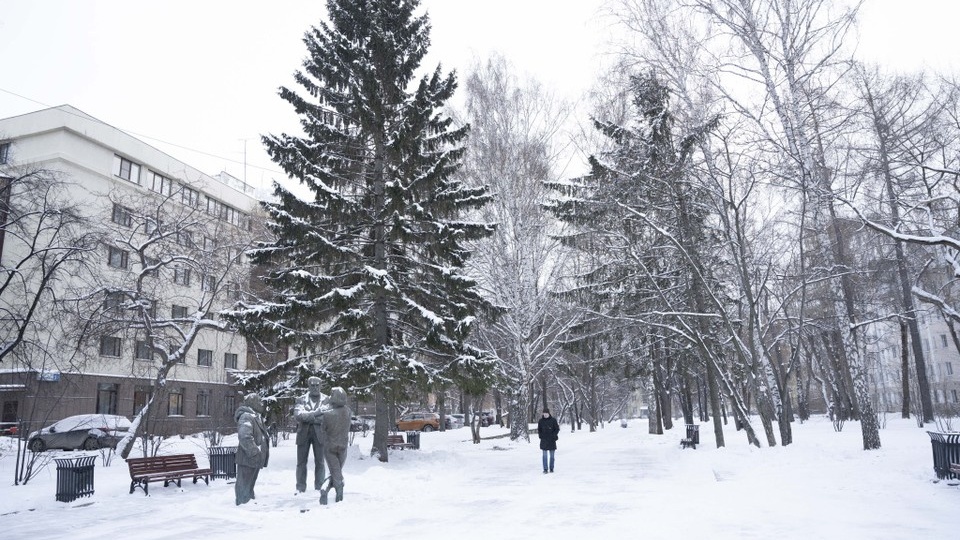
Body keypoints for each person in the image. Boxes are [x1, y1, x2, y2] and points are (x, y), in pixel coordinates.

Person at [234, 393, 270, 505]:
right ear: (252, 403)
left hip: (254, 458)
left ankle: (248, 502)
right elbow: (244, 436)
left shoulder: (255, 416)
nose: (261, 404)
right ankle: (242, 504)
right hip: (248, 458)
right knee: (244, 485)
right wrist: (254, 452)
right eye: (259, 401)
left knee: (249, 485)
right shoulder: (246, 416)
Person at [294, 377, 328, 493]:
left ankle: (320, 487)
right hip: (303, 435)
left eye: (317, 385)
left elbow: (326, 417)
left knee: (320, 462)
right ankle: (300, 487)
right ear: (308, 386)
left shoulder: (326, 400)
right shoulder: (301, 400)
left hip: (320, 435)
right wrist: (317, 413)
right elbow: (298, 416)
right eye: (312, 385)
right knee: (301, 463)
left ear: (320, 386)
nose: (315, 387)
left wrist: (308, 417)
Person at [322, 387, 352, 502]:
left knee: (335, 473)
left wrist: (326, 402)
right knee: (336, 472)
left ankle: (325, 491)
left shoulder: (327, 415)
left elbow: (322, 430)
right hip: (343, 447)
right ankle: (334, 493)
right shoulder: (348, 412)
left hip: (330, 447)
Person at [537, 407, 560, 474]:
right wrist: (540, 436)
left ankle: (551, 468)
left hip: (552, 440)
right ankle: (545, 469)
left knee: (552, 456)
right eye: (544, 413)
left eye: (546, 413)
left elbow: (557, 429)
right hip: (544, 440)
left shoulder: (553, 420)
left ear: (549, 413)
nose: (545, 414)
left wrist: (553, 435)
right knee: (544, 456)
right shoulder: (541, 421)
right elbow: (539, 429)